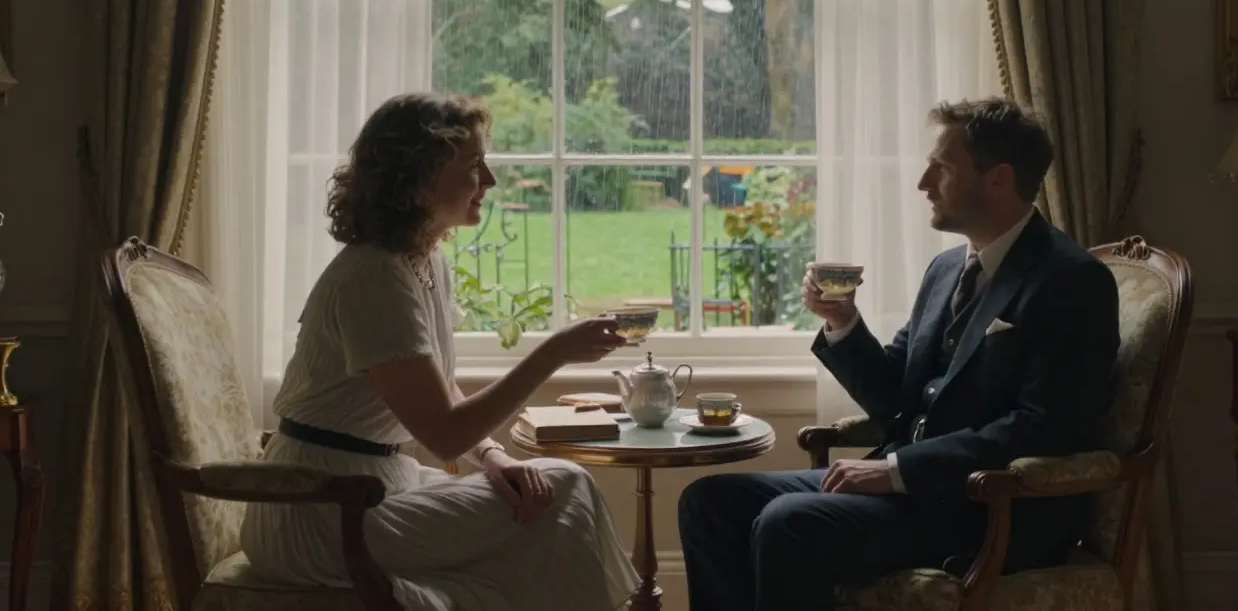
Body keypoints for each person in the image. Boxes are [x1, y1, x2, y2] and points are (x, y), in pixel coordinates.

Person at [677, 97, 1121, 611]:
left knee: (789, 523)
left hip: (986, 508)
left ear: (998, 179)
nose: (923, 182)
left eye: (942, 167)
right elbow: (893, 395)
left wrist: (896, 470)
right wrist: (842, 322)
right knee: (710, 502)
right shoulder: (947, 269)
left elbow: (1043, 427)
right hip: (912, 492)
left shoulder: (1071, 279)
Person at [240, 92, 641, 611]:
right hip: (317, 511)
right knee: (564, 488)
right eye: (473, 166)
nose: (489, 181)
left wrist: (495, 457)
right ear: (418, 177)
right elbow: (443, 434)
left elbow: (434, 388)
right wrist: (554, 353)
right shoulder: (373, 277)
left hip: (375, 487)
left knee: (541, 492)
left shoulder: (423, 262)